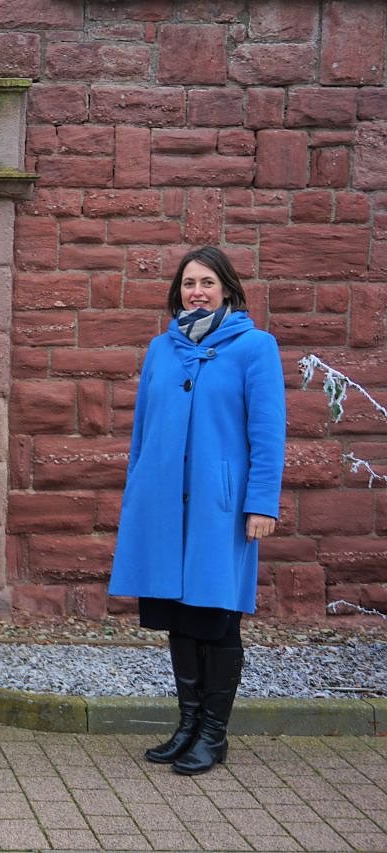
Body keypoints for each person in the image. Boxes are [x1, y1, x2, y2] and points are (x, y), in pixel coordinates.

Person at [109, 246, 286, 776]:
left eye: (207, 282)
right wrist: (137, 492)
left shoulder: (256, 348)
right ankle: (187, 726)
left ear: (227, 288)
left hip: (220, 508)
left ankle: (214, 735)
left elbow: (268, 434)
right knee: (177, 617)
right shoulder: (161, 349)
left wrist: (261, 504)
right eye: (189, 283)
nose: (198, 292)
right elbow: (143, 429)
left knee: (217, 615)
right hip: (163, 505)